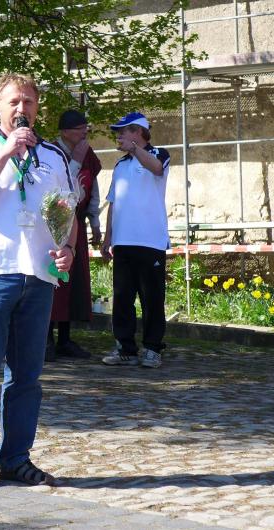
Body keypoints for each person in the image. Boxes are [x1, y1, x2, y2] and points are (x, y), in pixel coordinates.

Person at [0, 73, 77, 491]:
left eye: (28, 101)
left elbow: (67, 211)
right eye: (13, 102)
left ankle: (15, 458)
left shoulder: (54, 156)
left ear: (37, 107)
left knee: (26, 378)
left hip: (38, 276)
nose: (21, 108)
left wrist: (68, 248)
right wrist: (6, 152)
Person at [101, 112, 170, 369]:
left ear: (138, 132)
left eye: (123, 131)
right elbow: (113, 202)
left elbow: (156, 168)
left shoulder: (159, 153)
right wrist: (107, 237)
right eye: (118, 132)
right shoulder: (120, 165)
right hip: (123, 241)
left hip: (150, 240)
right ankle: (125, 348)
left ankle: (152, 348)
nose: (118, 135)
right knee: (122, 298)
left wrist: (135, 149)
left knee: (152, 298)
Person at [45, 109, 103, 362]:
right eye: (80, 129)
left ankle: (65, 340)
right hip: (54, 225)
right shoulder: (51, 152)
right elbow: (57, 187)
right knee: (53, 280)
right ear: (66, 132)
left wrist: (95, 221)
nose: (84, 133)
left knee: (72, 282)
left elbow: (92, 187)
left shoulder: (87, 153)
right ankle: (46, 340)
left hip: (76, 225)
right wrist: (75, 161)